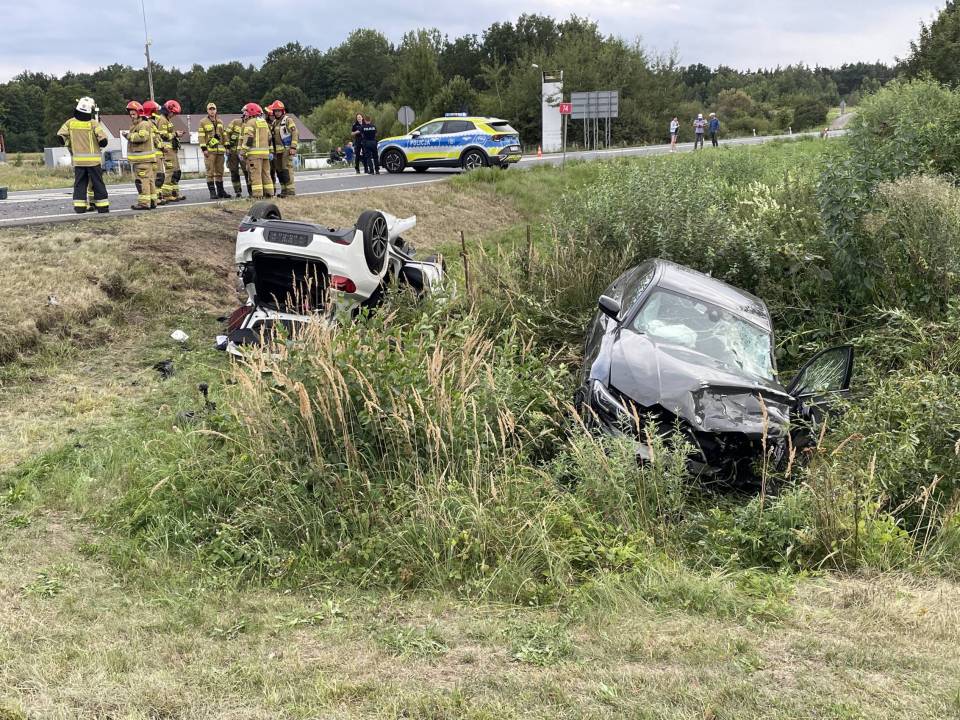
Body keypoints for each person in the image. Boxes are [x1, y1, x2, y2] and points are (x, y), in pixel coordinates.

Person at [57, 96, 109, 214]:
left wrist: (65, 141)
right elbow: (102, 138)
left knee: (80, 184)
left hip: (78, 161)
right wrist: (102, 141)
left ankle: (79, 207)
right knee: (97, 183)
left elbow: (60, 135)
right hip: (93, 161)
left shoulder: (70, 122)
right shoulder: (93, 123)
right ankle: (103, 206)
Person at [124, 101, 156, 210]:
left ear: (139, 113)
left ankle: (144, 203)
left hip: (142, 160)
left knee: (142, 182)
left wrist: (128, 136)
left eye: (134, 114)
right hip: (143, 160)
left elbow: (142, 137)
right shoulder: (138, 125)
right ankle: (152, 201)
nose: (132, 116)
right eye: (131, 114)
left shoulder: (143, 124)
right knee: (149, 180)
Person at [266, 100, 299, 196]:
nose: (277, 113)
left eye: (279, 111)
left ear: (283, 111)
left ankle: (290, 190)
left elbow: (295, 133)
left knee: (286, 169)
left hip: (287, 149)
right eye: (275, 111)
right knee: (279, 171)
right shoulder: (274, 122)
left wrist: (293, 147)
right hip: (277, 152)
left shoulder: (288, 120)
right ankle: (284, 190)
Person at [198, 102, 230, 199]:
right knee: (210, 172)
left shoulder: (220, 122)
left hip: (220, 151)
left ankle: (221, 191)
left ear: (216, 110)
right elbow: (201, 137)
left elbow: (224, 135)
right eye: (210, 109)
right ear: (207, 111)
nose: (212, 111)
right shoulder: (203, 122)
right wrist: (204, 149)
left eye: (213, 109)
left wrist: (227, 147)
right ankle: (212, 192)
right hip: (210, 151)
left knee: (220, 172)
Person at [240, 102, 272, 199]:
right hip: (265, 154)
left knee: (255, 175)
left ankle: (257, 196)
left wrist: (242, 152)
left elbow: (248, 139)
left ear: (251, 112)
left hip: (254, 155)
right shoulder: (263, 122)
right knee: (266, 174)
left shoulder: (250, 123)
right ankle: (269, 194)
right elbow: (269, 137)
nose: (244, 114)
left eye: (246, 112)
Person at [157, 100, 187, 202]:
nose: (173, 115)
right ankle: (166, 194)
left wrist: (176, 134)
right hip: (167, 150)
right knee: (170, 171)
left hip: (172, 150)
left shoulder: (167, 120)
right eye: (173, 113)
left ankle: (175, 193)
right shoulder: (162, 120)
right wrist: (175, 134)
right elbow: (163, 136)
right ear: (167, 110)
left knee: (176, 172)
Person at [141, 100, 166, 205]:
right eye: (156, 111)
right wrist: (162, 146)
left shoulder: (152, 123)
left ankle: (158, 197)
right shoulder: (149, 124)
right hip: (155, 155)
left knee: (159, 176)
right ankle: (155, 198)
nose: (158, 113)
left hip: (158, 155)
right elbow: (154, 139)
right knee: (157, 177)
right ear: (152, 112)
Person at [225, 109, 251, 197]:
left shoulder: (251, 124)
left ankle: (251, 191)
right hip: (232, 152)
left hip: (244, 152)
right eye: (245, 114)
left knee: (247, 171)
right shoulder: (235, 122)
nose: (246, 117)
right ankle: (237, 191)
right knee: (234, 171)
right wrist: (227, 147)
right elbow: (226, 134)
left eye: (248, 115)